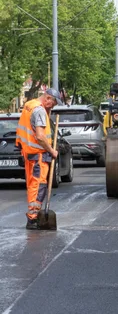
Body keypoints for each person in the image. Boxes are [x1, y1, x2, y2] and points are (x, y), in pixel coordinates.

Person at [16, 88, 62, 230]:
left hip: (30, 154)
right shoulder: (39, 110)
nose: (53, 106)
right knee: (38, 186)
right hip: (39, 155)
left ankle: (32, 217)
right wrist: (52, 151)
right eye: (53, 103)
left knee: (32, 185)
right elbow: (41, 136)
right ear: (47, 98)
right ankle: (33, 218)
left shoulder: (30, 105)